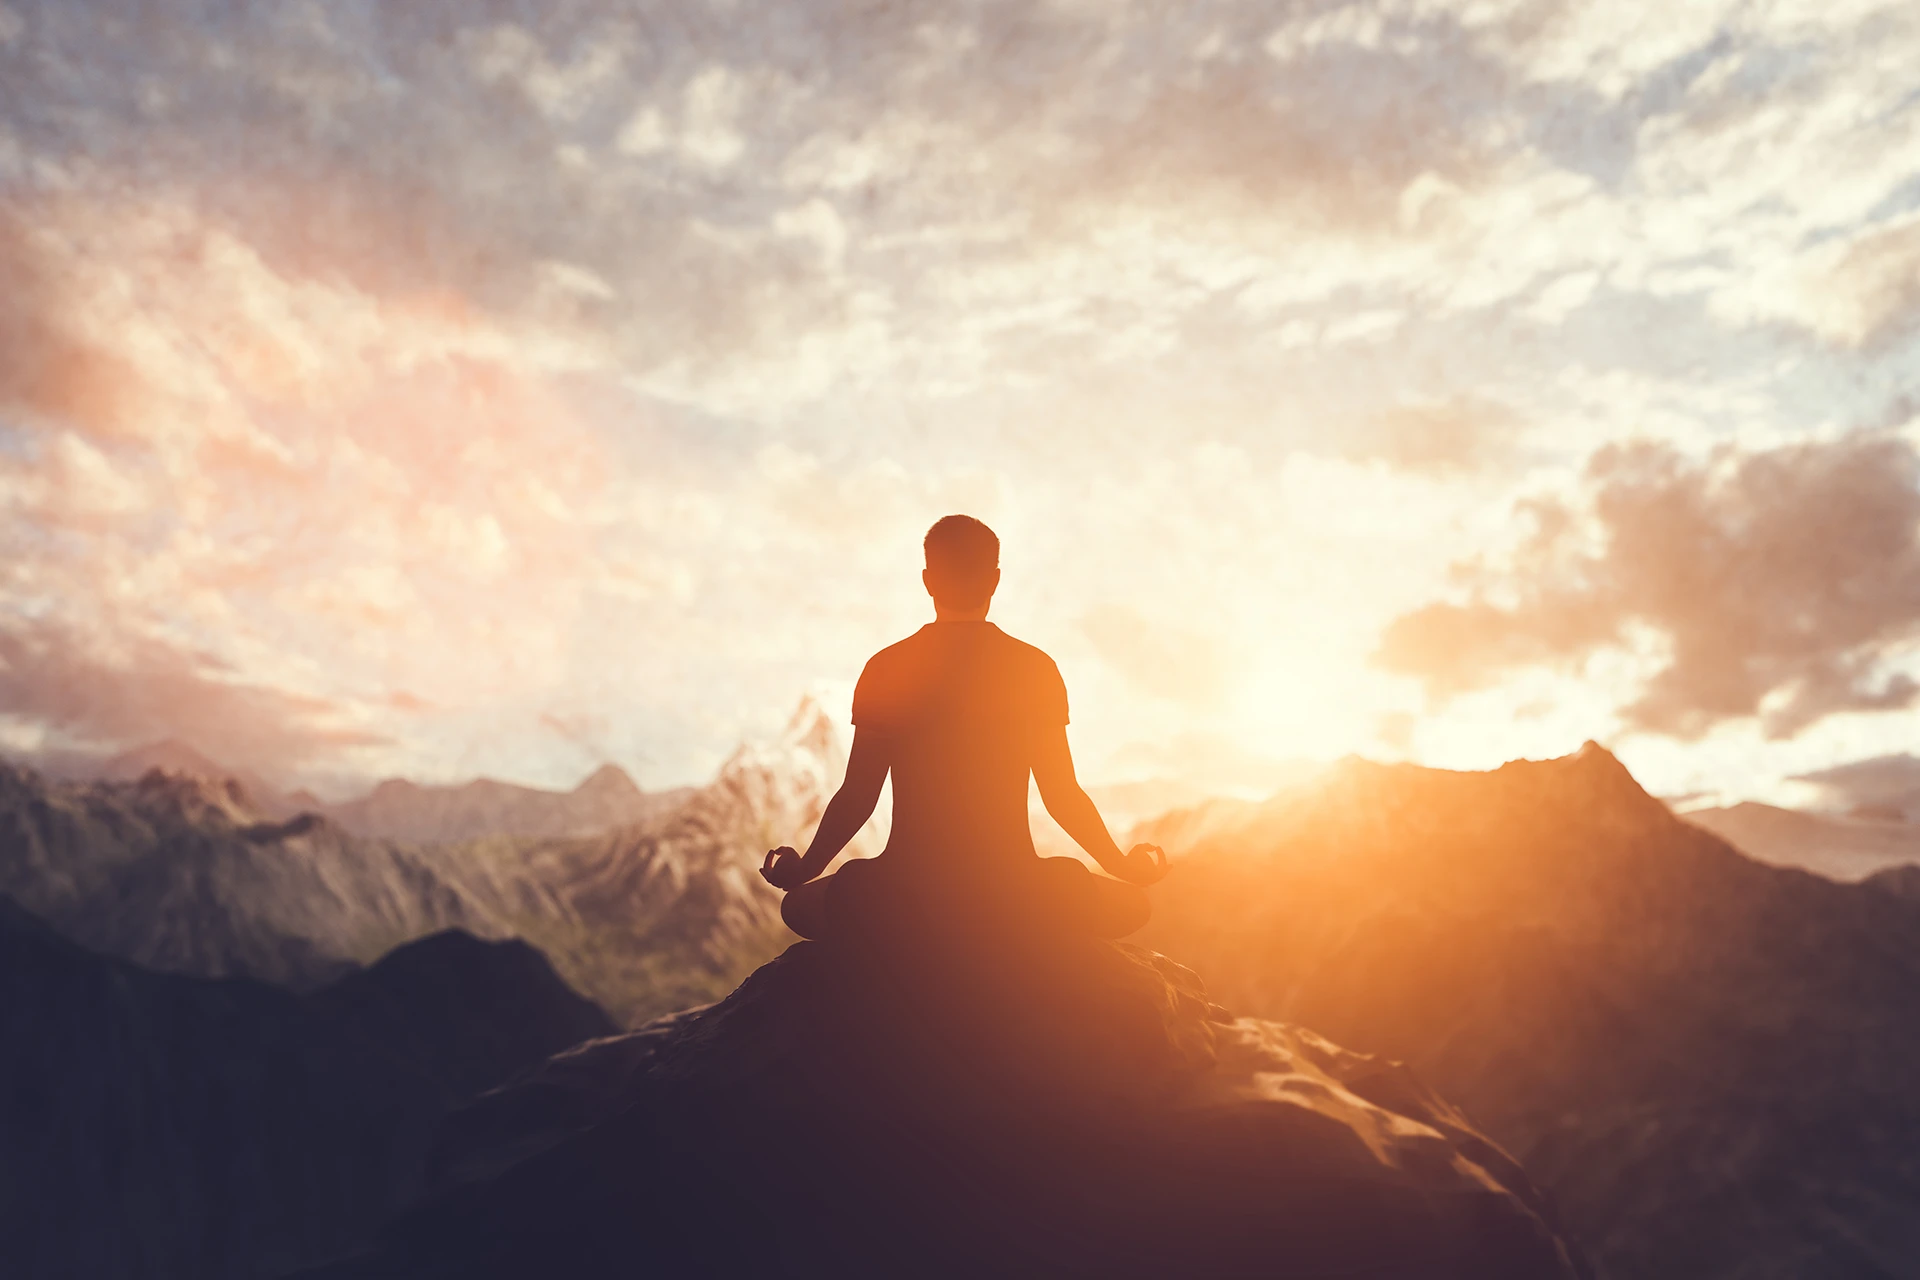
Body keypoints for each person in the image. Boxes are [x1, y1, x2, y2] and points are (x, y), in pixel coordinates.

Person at [762, 514, 1168, 944]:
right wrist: (1124, 867)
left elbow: (859, 795)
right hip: (1013, 891)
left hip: (904, 891)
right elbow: (1061, 794)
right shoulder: (1034, 668)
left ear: (928, 580)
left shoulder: (887, 667)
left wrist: (804, 869)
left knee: (799, 907)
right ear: (994, 580)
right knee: (1132, 906)